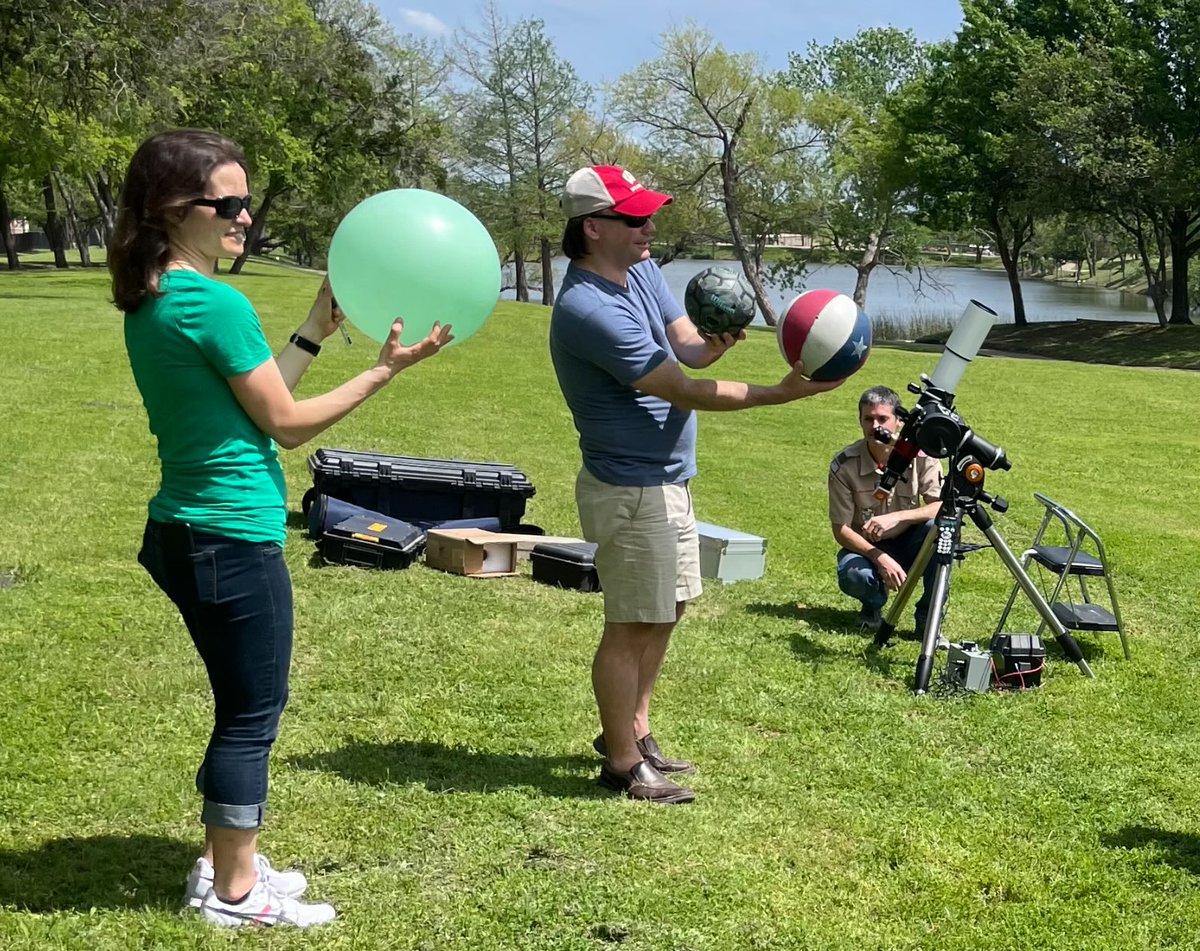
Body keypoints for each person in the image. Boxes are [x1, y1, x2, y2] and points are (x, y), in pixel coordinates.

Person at [110, 129, 452, 928]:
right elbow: (291, 426)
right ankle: (234, 893)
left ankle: (225, 862)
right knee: (252, 710)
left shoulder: (162, 292)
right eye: (225, 204)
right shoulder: (213, 301)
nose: (244, 217)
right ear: (171, 209)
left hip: (186, 530)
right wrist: (386, 368)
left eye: (245, 201)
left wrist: (309, 335)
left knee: (242, 701)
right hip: (226, 535)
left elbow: (256, 408)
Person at [548, 164, 842, 805]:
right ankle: (622, 765)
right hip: (629, 489)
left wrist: (721, 341)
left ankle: (634, 730)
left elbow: (689, 353)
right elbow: (681, 389)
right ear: (593, 228)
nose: (651, 228)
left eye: (649, 215)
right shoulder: (586, 309)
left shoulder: (641, 271)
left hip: (668, 480)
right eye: (636, 220)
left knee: (668, 608)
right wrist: (781, 394)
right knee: (631, 622)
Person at [827, 386, 943, 633]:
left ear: (899, 421)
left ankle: (927, 619)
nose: (875, 425)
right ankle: (872, 606)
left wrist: (898, 516)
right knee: (853, 575)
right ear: (860, 421)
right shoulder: (844, 465)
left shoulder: (921, 456)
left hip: (912, 540)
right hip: (868, 547)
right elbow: (841, 529)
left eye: (883, 418)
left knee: (941, 531)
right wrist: (878, 557)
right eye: (868, 419)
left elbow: (941, 507)